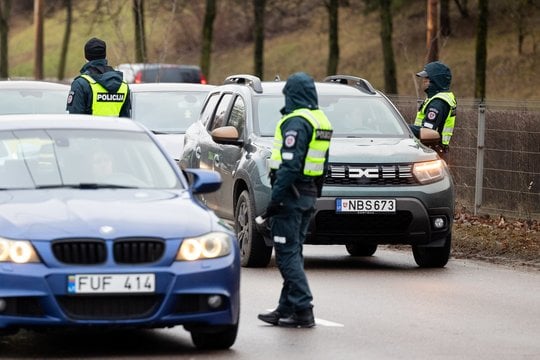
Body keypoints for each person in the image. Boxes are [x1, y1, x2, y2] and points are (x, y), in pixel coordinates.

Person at [257, 72, 333, 328]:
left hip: (291, 195)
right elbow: (323, 164)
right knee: (294, 252)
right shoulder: (320, 119)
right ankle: (284, 308)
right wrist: (315, 193)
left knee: (286, 254)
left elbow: (290, 165)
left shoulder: (296, 122)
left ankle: (303, 308)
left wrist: (275, 200)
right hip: (308, 194)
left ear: (293, 94)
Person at [67, 37, 131, 117]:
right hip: (116, 129)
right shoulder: (123, 85)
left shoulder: (81, 84)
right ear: (105, 57)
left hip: (91, 129)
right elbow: (126, 121)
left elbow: (74, 119)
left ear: (86, 57)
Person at [410, 61, 456, 162]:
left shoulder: (438, 103)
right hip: (436, 151)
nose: (423, 81)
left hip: (432, 152)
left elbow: (427, 132)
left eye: (427, 78)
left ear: (436, 80)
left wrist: (403, 128)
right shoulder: (440, 98)